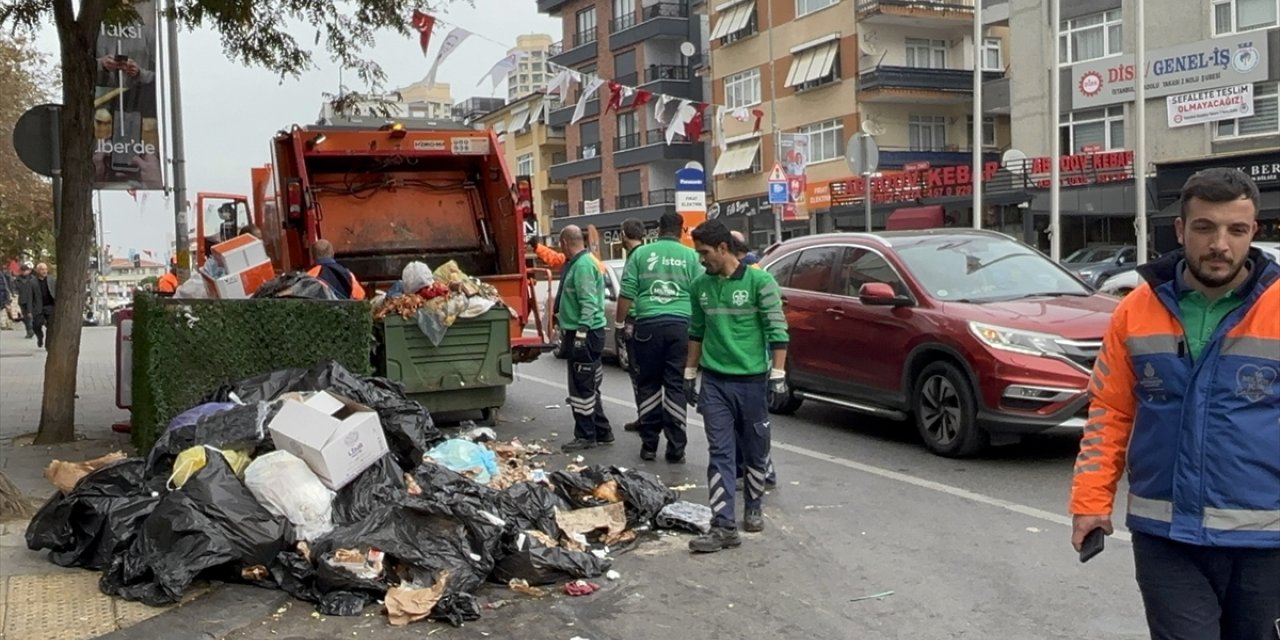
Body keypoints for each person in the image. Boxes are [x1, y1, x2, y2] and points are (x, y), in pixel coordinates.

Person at [1069, 167, 1279, 640]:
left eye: (1236, 229)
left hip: (1266, 537)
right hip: (1166, 533)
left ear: (1253, 233)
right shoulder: (1136, 309)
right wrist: (1090, 502)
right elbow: (1110, 411)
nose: (1220, 244)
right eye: (1205, 227)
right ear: (1181, 229)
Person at [685, 220, 789, 552]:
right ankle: (723, 526)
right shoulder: (700, 285)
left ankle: (754, 507)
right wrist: (690, 373)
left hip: (752, 381)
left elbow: (777, 330)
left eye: (704, 253)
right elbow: (696, 332)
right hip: (715, 381)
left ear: (723, 249)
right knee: (720, 453)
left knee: (755, 450)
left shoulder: (761, 282)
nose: (701, 260)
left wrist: (778, 376)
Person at [616, 212, 702, 462]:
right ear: (682, 231)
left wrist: (620, 324)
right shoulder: (691, 256)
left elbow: (627, 292)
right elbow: (699, 294)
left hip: (648, 326)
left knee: (649, 385)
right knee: (675, 385)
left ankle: (649, 446)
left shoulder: (641, 254)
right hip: (681, 326)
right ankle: (676, 449)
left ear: (657, 229)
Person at [556, 225, 614, 452]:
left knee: (581, 388)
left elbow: (588, 303)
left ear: (564, 242)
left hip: (584, 333)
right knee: (589, 385)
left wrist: (581, 334)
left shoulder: (581, 266)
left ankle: (585, 435)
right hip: (588, 332)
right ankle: (602, 430)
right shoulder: (585, 262)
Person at [616, 218, 647, 434]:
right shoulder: (646, 254)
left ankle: (646, 416)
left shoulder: (635, 258)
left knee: (638, 372)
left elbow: (627, 293)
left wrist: (619, 322)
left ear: (624, 235)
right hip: (649, 320)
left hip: (635, 320)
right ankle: (646, 415)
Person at [31, 263, 56, 349]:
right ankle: (40, 337)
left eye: (45, 269)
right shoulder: (32, 282)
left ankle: (48, 344)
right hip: (38, 307)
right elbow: (30, 297)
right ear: (37, 271)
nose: (44, 271)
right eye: (42, 269)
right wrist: (29, 310)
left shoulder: (52, 280)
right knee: (36, 325)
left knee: (51, 326)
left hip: (50, 306)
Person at [15, 264, 35, 338]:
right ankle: (29, 330)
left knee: (30, 315)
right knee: (25, 317)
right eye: (22, 271)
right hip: (22, 300)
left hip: (32, 300)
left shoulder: (32, 279)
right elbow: (15, 290)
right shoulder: (17, 280)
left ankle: (30, 330)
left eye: (25, 270)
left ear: (28, 271)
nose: (24, 272)